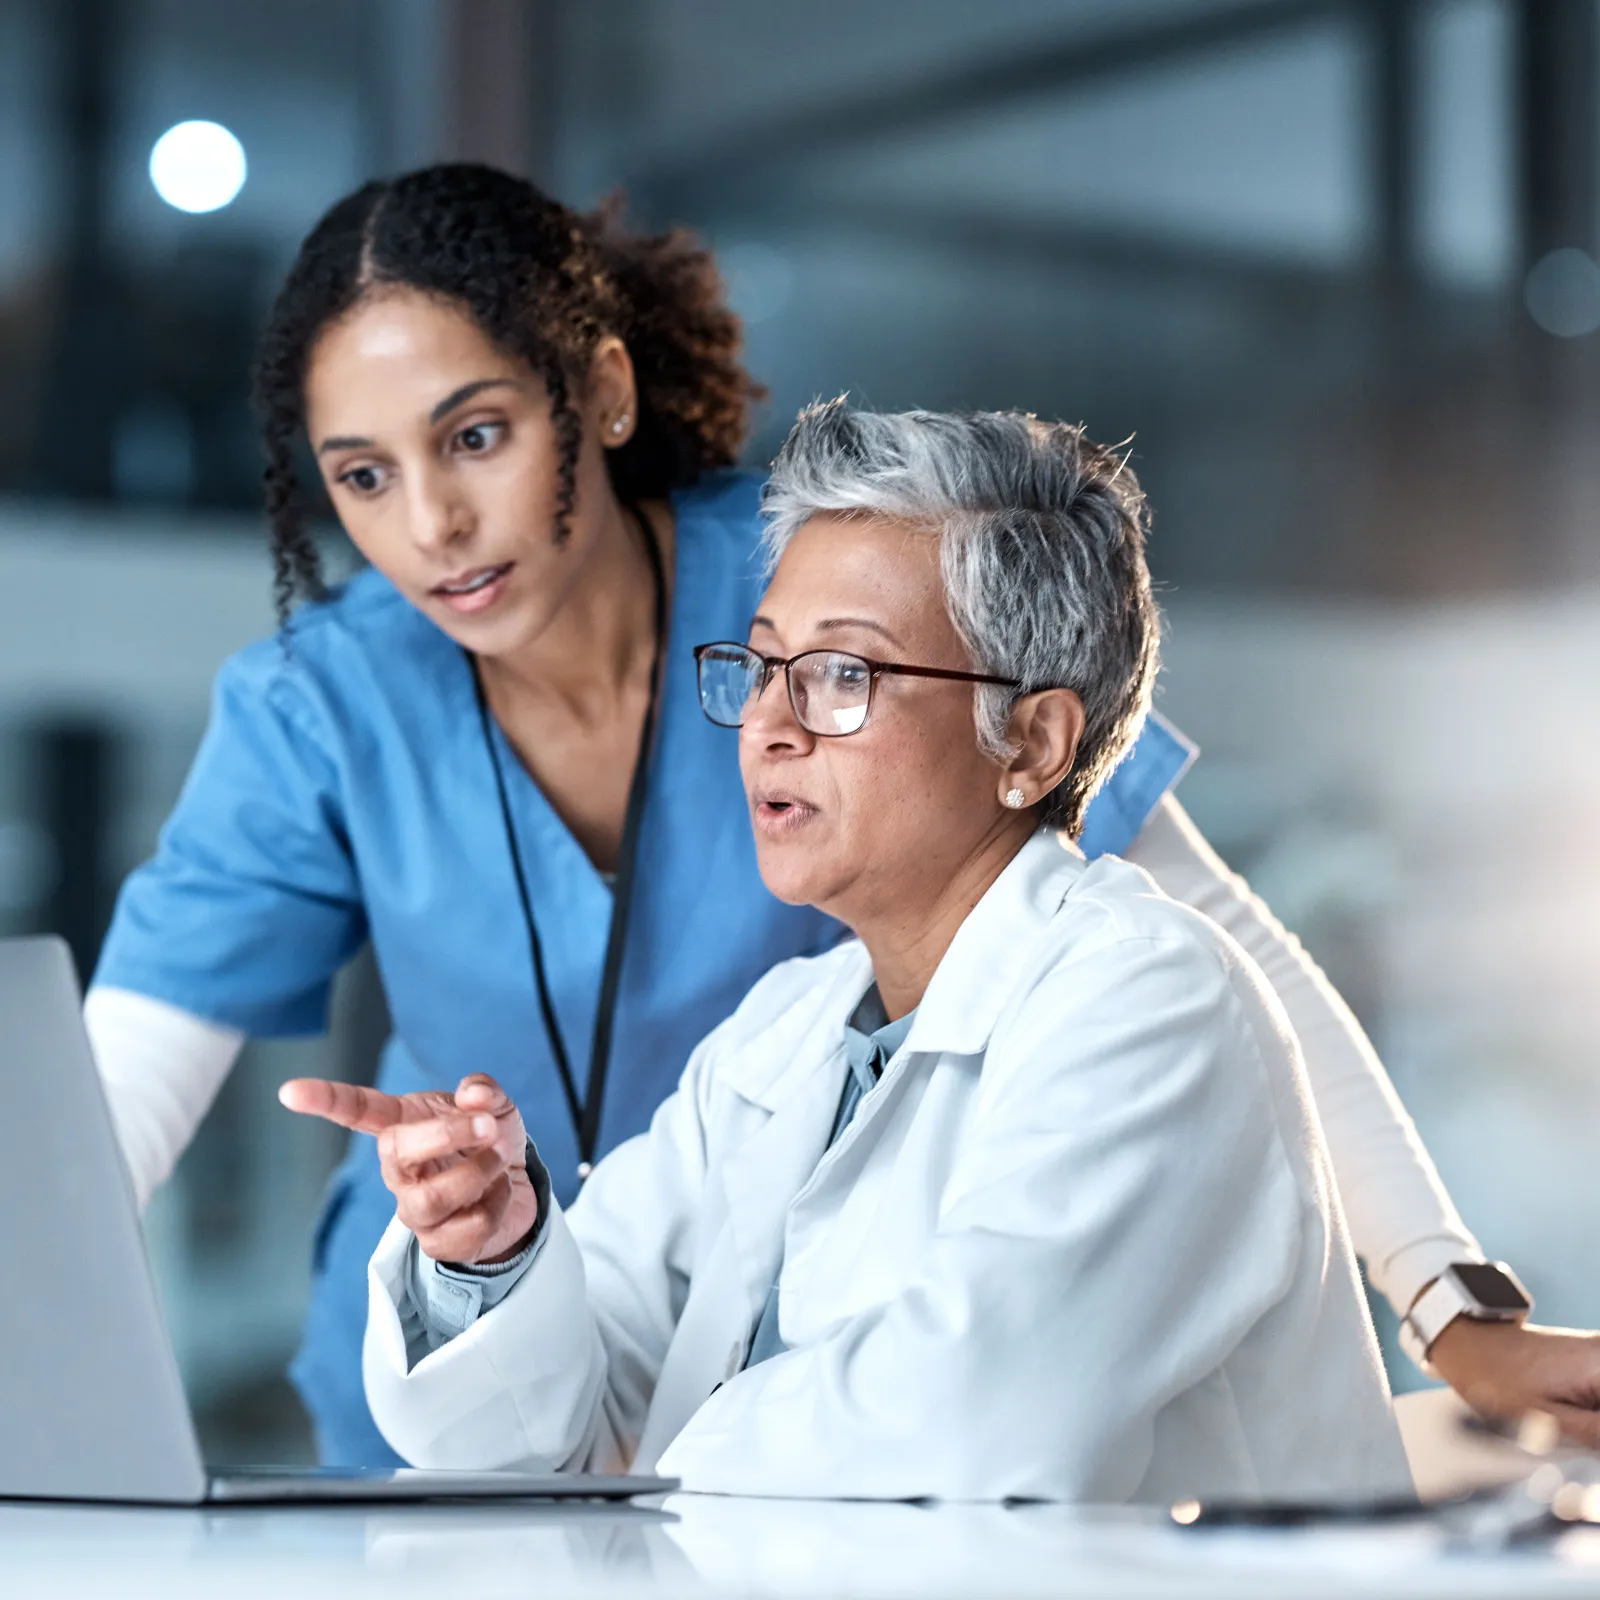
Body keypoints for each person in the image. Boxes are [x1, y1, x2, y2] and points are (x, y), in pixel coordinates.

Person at [86, 163, 1600, 1468]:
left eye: (474, 436)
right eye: (362, 475)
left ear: (599, 393)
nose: (429, 523)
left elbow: (1216, 951)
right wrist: (491, 1255)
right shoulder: (334, 709)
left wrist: (1449, 1304)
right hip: (551, 1345)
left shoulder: (832, 582)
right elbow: (104, 1120)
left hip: (802, 1412)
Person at [283, 404, 1413, 1501]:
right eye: (764, 664)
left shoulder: (1149, 999)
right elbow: (549, 1420)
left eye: (841, 675)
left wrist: (655, 1459)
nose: (770, 722)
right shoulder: (789, 1028)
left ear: (1030, 740)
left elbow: (974, 1422)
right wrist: (494, 1257)